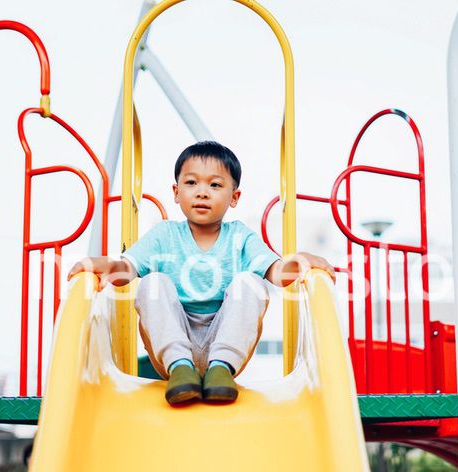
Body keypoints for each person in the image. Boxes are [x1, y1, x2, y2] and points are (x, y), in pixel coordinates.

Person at [68, 141, 335, 405]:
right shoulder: (164, 235)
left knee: (252, 282)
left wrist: (297, 263)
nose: (202, 193)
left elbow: (275, 273)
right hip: (171, 349)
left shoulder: (240, 237)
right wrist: (110, 266)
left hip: (226, 348)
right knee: (153, 282)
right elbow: (127, 269)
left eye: (215, 185)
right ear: (176, 192)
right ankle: (181, 367)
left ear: (234, 197)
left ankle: (220, 367)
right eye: (191, 183)